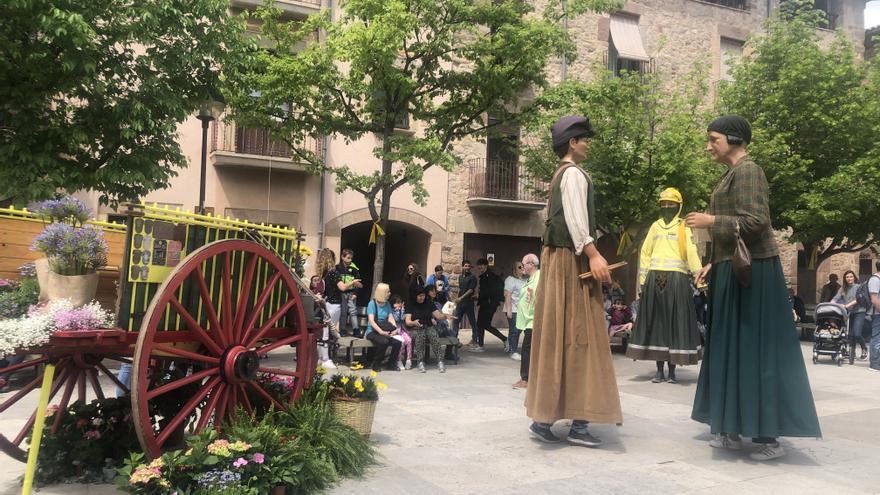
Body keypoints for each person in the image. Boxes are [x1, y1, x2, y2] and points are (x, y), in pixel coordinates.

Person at [688, 115, 821, 461]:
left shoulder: (749, 171)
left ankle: (767, 437)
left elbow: (756, 222)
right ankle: (732, 429)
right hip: (733, 270)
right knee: (734, 349)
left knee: (754, 349)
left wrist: (710, 220)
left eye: (714, 139)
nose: (709, 146)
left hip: (754, 274)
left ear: (733, 139)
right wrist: (714, 262)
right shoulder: (732, 173)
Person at [524, 115, 622, 447]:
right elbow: (577, 221)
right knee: (583, 335)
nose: (588, 144)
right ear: (572, 143)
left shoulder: (559, 175)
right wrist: (593, 254)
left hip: (558, 261)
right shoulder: (574, 175)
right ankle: (578, 425)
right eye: (584, 139)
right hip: (571, 261)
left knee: (558, 334)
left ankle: (544, 418)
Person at [626, 187, 703, 384]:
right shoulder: (655, 226)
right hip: (654, 279)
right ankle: (659, 371)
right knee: (657, 325)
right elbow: (645, 252)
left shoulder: (684, 227)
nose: (667, 207)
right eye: (664, 204)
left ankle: (672, 371)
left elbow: (691, 252)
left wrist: (699, 275)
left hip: (677, 279)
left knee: (674, 325)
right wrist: (643, 280)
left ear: (679, 206)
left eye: (671, 204)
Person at [512, 254, 540, 390]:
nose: (522, 268)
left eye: (523, 265)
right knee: (528, 350)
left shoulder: (539, 278)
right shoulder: (530, 279)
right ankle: (528, 377)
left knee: (527, 350)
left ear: (531, 264)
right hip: (527, 321)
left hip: (533, 321)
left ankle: (526, 378)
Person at [405, 287, 448, 373]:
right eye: (420, 296)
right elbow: (408, 321)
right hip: (416, 327)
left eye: (423, 295)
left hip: (429, 326)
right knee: (420, 337)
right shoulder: (411, 304)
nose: (422, 298)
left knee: (434, 338)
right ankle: (420, 362)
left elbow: (438, 316)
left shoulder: (429, 303)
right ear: (415, 296)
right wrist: (413, 322)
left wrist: (447, 315)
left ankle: (440, 361)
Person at [471, 258, 508, 352]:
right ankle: (481, 345)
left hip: (489, 304)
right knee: (480, 324)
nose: (479, 267)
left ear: (486, 265)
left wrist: (479, 296)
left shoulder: (489, 276)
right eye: (478, 266)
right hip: (486, 303)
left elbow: (490, 292)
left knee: (484, 324)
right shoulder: (485, 275)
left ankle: (504, 339)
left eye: (481, 265)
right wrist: (479, 296)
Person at [365, 283, 402, 372]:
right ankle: (376, 364)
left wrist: (395, 329)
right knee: (384, 342)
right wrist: (381, 332)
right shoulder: (372, 304)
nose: (390, 293)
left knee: (398, 342)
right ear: (382, 292)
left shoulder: (387, 304)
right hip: (373, 331)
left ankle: (391, 364)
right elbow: (372, 321)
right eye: (388, 292)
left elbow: (391, 318)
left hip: (385, 330)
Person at [833, 270, 868, 361]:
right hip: (850, 312)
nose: (849, 278)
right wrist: (831, 304)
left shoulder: (858, 287)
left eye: (851, 276)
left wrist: (846, 305)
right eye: (847, 277)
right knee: (851, 334)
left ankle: (864, 347)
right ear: (845, 279)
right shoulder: (843, 288)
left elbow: (858, 299)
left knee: (857, 333)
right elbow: (836, 298)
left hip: (860, 311)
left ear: (854, 278)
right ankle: (853, 353)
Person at [504, 260, 528, 361]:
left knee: (520, 330)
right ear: (514, 269)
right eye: (519, 267)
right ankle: (513, 351)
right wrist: (509, 310)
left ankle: (510, 344)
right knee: (515, 330)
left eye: (523, 266)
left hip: (522, 309)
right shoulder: (510, 280)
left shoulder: (525, 280)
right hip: (513, 308)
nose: (522, 268)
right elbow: (507, 295)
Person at [336, 248, 363, 336]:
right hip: (341, 293)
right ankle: (342, 329)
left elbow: (357, 282)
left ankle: (356, 329)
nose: (350, 260)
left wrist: (355, 293)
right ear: (342, 257)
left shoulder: (354, 268)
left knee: (353, 311)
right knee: (343, 312)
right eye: (348, 258)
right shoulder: (338, 268)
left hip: (351, 292)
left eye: (351, 258)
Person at [454, 260, 479, 347]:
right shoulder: (460, 277)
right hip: (460, 304)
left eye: (468, 266)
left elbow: (471, 290)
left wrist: (460, 298)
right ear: (462, 267)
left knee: (472, 322)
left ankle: (475, 340)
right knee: (455, 321)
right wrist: (457, 298)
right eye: (465, 266)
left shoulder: (472, 277)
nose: (467, 267)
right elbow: (460, 289)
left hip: (468, 303)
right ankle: (454, 340)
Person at [390, 294, 413, 370]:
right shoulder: (391, 311)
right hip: (395, 331)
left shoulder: (401, 310)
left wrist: (402, 310)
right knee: (402, 342)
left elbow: (403, 318)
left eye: (400, 302)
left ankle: (408, 360)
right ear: (393, 304)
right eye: (397, 303)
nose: (399, 304)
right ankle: (399, 360)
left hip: (402, 330)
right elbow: (396, 319)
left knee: (409, 340)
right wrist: (397, 311)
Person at [867, 260, 880, 372]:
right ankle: (874, 364)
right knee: (877, 338)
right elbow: (874, 299)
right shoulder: (875, 280)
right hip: (877, 314)